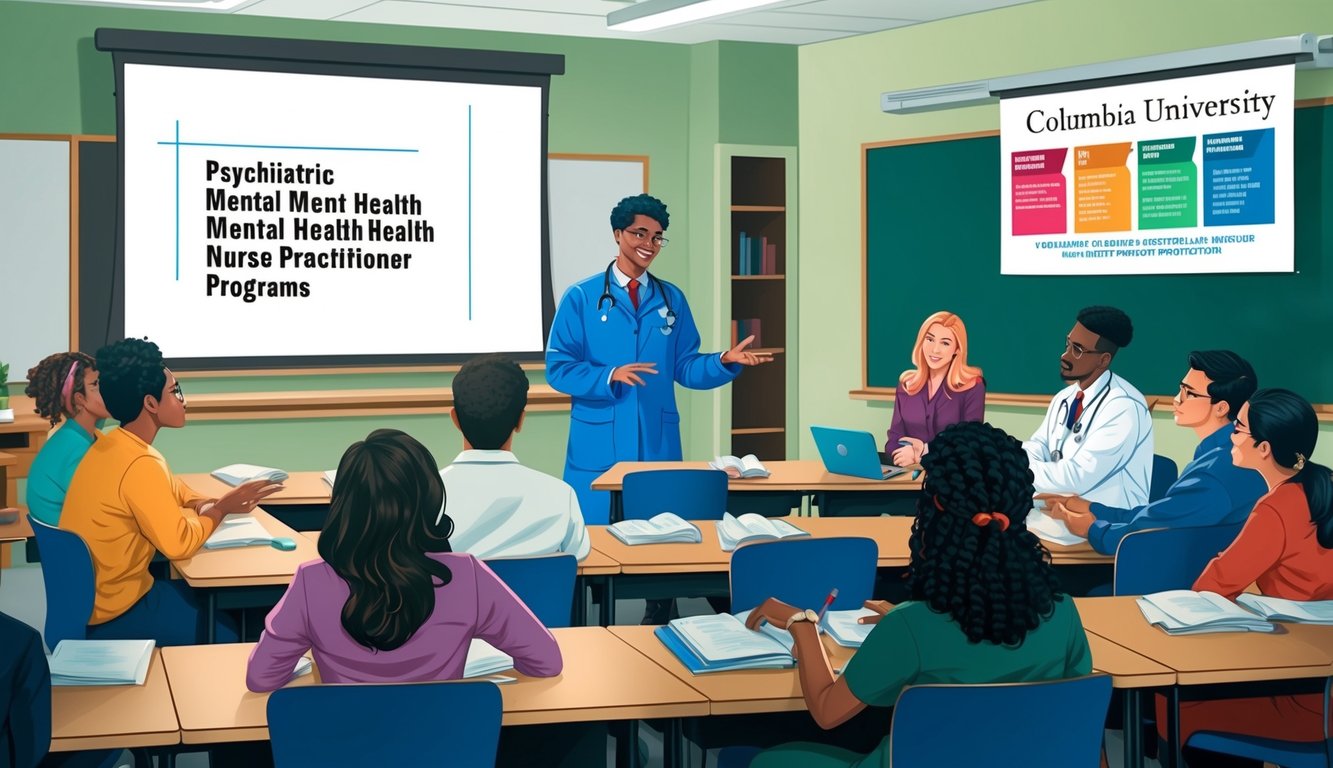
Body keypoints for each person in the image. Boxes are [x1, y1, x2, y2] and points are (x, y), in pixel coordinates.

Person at [745, 421, 1092, 767]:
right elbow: (1074, 716)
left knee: (769, 761)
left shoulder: (911, 627)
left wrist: (802, 625)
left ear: (934, 509)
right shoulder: (1063, 615)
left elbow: (826, 709)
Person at [247, 430, 596, 767]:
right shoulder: (467, 576)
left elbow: (261, 678)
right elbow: (546, 660)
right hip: (445, 752)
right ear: (429, 499)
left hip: (344, 751)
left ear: (343, 505)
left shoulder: (311, 581)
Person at [546, 193, 772, 525]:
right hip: (598, 444)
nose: (649, 244)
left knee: (659, 537)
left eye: (656, 237)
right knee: (595, 539)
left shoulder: (671, 298)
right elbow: (559, 369)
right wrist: (609, 376)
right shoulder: (581, 297)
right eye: (640, 234)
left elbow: (685, 366)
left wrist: (723, 360)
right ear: (617, 234)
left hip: (656, 443)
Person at [60, 338, 280, 645]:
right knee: (233, 628)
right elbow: (178, 544)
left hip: (90, 601)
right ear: (151, 403)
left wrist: (201, 502)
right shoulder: (141, 462)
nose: (183, 400)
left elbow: (173, 486)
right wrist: (222, 508)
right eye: (175, 391)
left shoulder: (112, 442)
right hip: (120, 612)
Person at [1159, 389, 1333, 763]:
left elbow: (1213, 585)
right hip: (1320, 677)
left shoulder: (1278, 506)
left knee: (1168, 702)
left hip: (1303, 697)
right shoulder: (1323, 488)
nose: (1231, 437)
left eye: (1238, 428)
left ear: (1265, 448)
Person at [1041, 350, 1266, 555]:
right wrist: (1091, 507)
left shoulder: (1217, 472)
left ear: (1221, 408)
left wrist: (1089, 527)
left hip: (1171, 581)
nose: (1177, 399)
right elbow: (1159, 514)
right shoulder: (1225, 453)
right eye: (1181, 389)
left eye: (1190, 393)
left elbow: (1146, 532)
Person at [441, 354, 590, 560]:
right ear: (521, 420)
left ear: (454, 419)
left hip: (458, 594)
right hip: (536, 593)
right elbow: (578, 555)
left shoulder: (425, 495)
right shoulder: (561, 495)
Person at [1024, 306, 1153, 512]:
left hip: (1106, 521)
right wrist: (1022, 461)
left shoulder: (1125, 406)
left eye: (1077, 349)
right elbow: (1038, 445)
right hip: (1060, 507)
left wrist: (1019, 468)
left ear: (1103, 360)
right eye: (1068, 344)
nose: (1065, 355)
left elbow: (1077, 478)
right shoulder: (1064, 398)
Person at [884, 311, 985, 467]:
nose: (935, 350)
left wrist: (922, 453)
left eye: (945, 343)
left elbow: (968, 443)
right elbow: (893, 439)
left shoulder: (973, 386)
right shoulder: (907, 384)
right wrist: (908, 452)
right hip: (908, 474)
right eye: (930, 339)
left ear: (957, 349)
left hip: (951, 479)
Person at [22, 352, 110, 525]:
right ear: (80, 399)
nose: (107, 390)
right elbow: (97, 505)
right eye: (96, 385)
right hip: (77, 543)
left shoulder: (74, 436)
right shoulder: (75, 447)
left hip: (68, 540)